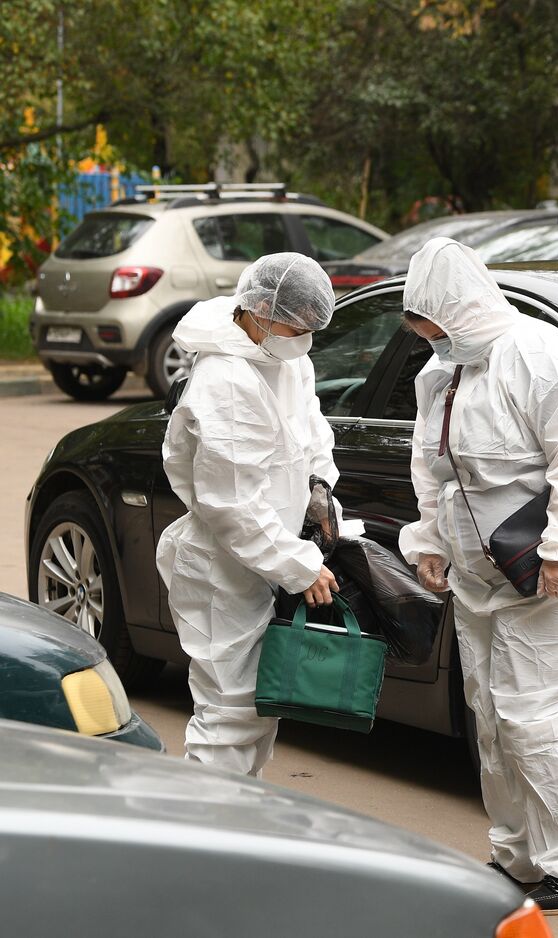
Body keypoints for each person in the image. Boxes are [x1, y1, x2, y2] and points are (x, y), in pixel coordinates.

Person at [399, 237, 558, 916]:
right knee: (491, 717)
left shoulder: (539, 353)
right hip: (478, 575)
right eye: (420, 330)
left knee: (532, 712)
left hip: (552, 570)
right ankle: (516, 854)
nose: (428, 340)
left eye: (433, 326)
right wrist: (430, 542)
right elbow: (433, 472)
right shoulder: (440, 374)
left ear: (460, 310)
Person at [156, 252, 348, 778]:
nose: (304, 336)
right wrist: (297, 565)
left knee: (259, 710)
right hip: (222, 572)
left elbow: (312, 435)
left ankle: (242, 828)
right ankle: (206, 846)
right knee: (227, 714)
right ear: (259, 307)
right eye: (296, 322)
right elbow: (231, 503)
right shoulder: (225, 382)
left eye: (312, 326)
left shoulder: (286, 359)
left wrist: (318, 489)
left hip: (265, 563)